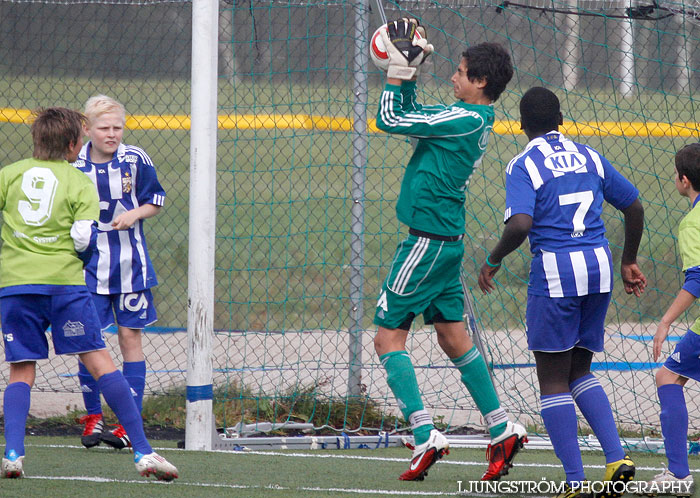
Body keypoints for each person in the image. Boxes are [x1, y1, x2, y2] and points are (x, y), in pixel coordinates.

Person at [373, 18, 527, 482]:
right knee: (453, 336)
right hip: (447, 243)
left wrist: (396, 72)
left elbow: (390, 120)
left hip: (425, 244)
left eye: (459, 72)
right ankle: (501, 427)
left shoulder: (462, 118)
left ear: (479, 82)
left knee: (386, 337)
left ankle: (423, 434)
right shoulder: (471, 117)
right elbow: (418, 115)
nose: (453, 77)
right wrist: (410, 74)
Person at [478, 87, 646, 498]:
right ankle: (616, 457)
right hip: (599, 269)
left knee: (552, 381)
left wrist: (494, 259)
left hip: (556, 276)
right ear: (562, 120)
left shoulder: (523, 163)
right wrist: (628, 261)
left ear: (521, 126)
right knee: (580, 371)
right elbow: (635, 206)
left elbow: (519, 225)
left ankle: (574, 481)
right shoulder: (589, 155)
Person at [0, 107, 178, 481]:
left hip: (16, 286)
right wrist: (79, 255)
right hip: (65, 285)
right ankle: (143, 452)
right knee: (100, 361)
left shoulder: (9, 175)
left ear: (35, 140)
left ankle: (13, 453)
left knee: (21, 370)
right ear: (72, 144)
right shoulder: (78, 180)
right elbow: (83, 236)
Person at [72, 95, 165, 450]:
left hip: (131, 267)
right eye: (104, 128)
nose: (112, 134)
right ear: (87, 129)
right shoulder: (74, 164)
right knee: (88, 342)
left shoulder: (135, 158)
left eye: (117, 127)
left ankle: (128, 424)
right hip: (88, 270)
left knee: (130, 340)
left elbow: (155, 200)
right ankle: (93, 417)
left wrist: (136, 213)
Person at [642, 143, 700, 496]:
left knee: (667, 376)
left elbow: (697, 279)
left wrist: (664, 321)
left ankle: (678, 474)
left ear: (683, 180)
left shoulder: (691, 223)